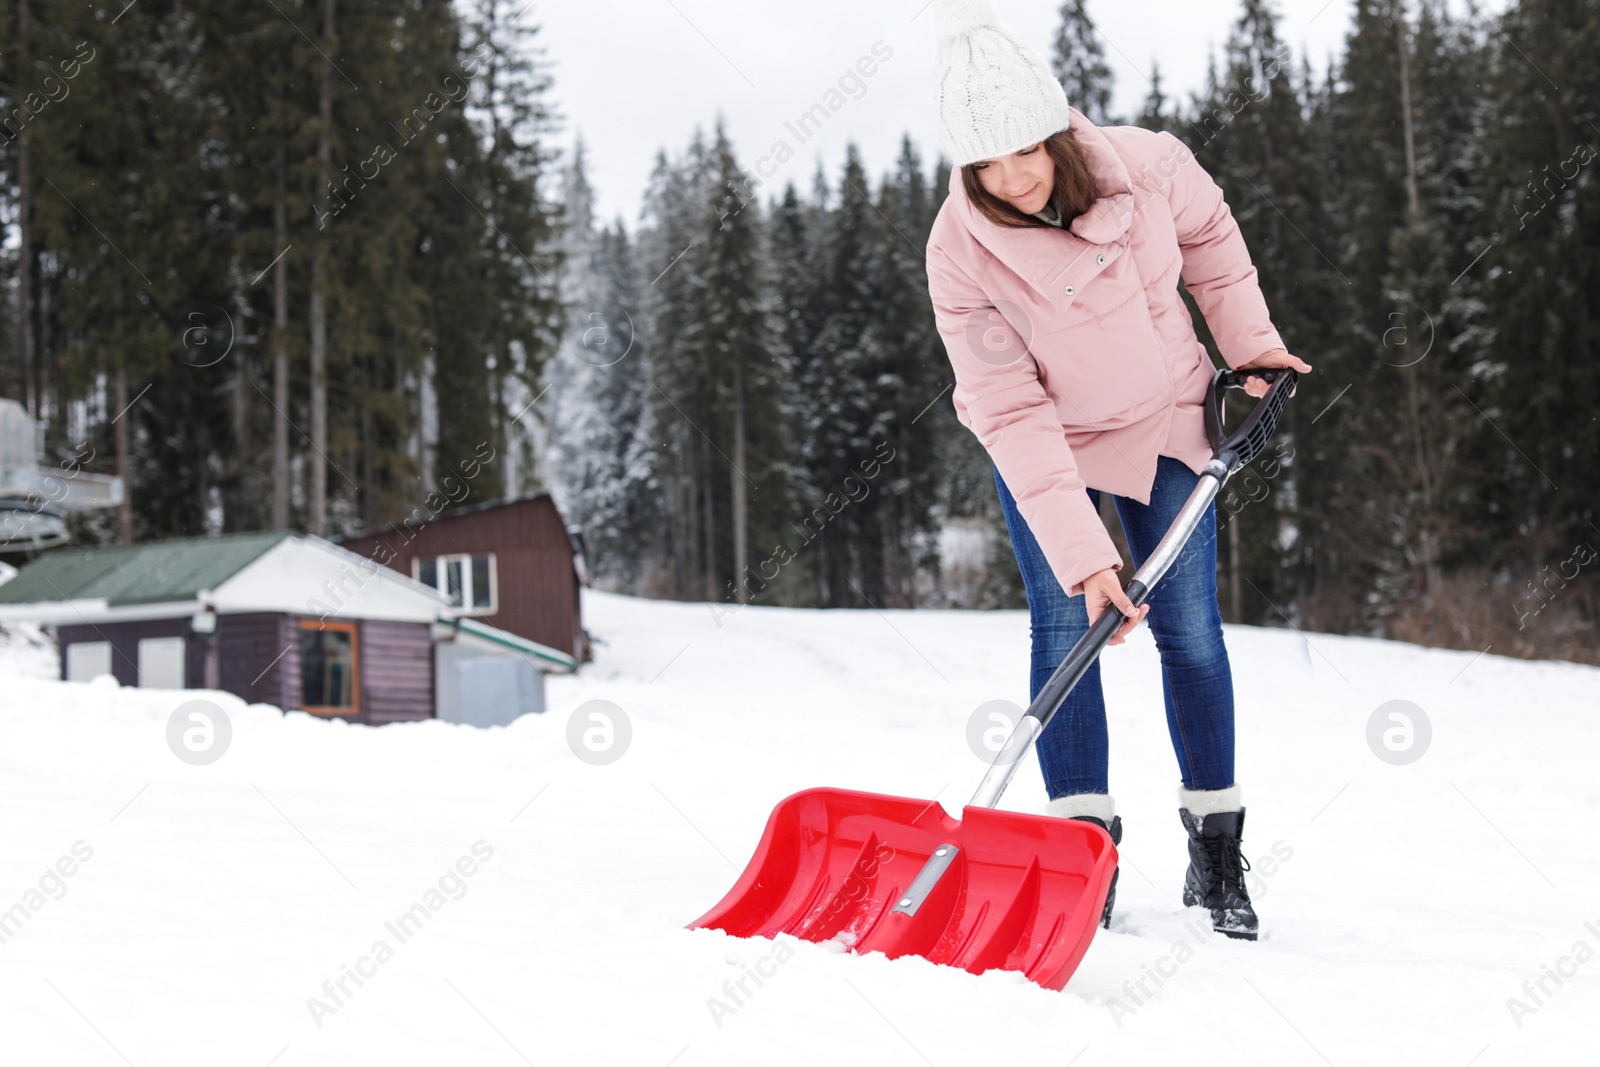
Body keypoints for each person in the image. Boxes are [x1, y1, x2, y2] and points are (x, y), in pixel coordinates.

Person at [924, 0, 1312, 940]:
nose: (1012, 177)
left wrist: (1252, 348)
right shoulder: (958, 251)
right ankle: (1077, 859)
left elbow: (1214, 245)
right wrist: (1082, 553)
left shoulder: (1150, 163)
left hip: (1173, 418)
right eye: (987, 162)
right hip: (1050, 443)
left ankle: (1216, 850)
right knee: (1067, 631)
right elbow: (1009, 407)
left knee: (1191, 631)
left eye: (1027, 148)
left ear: (1057, 129)